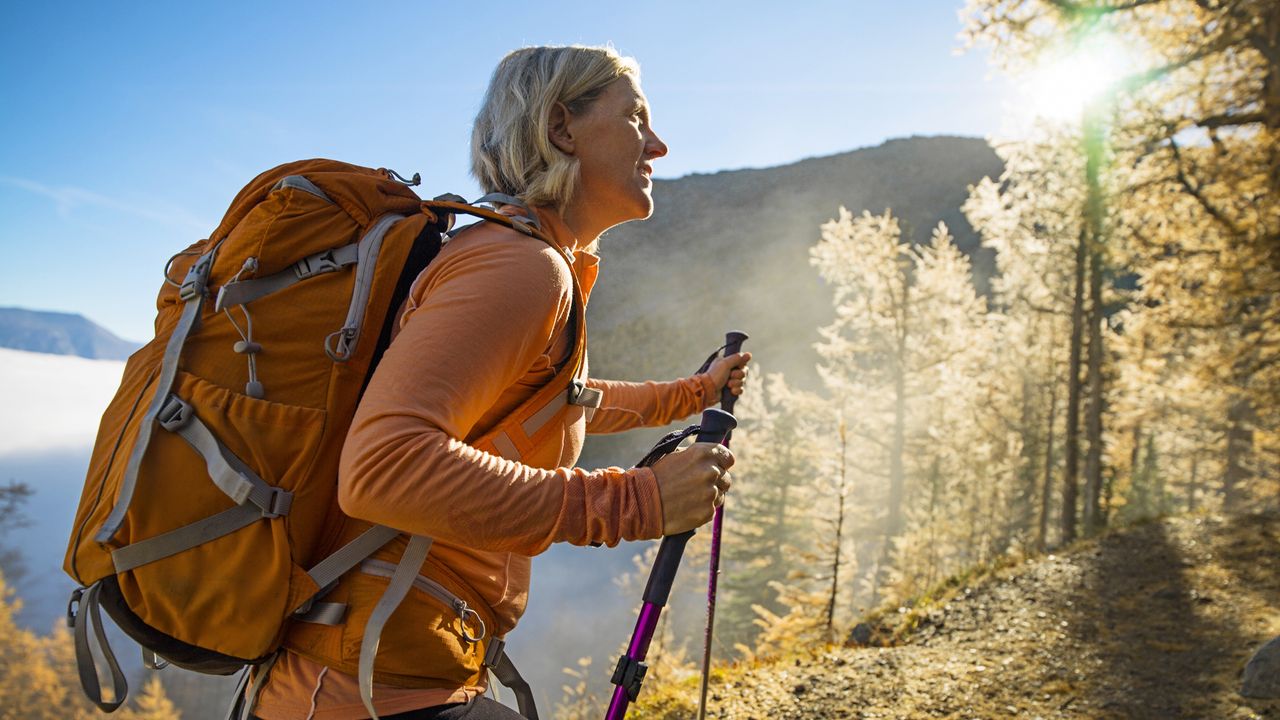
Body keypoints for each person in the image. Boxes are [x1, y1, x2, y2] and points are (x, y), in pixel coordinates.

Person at [249, 44, 751, 720]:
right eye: (635, 118)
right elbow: (382, 469)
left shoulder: (524, 259)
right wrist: (635, 502)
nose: (657, 145)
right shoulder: (517, 267)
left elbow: (561, 403)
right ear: (560, 129)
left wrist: (695, 392)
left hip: (393, 675)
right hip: (358, 693)